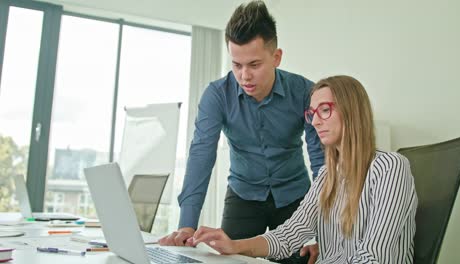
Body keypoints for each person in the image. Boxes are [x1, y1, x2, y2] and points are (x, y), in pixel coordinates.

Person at [189, 75, 418, 264]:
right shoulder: (328, 177)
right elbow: (288, 235)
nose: (315, 121)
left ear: (351, 111)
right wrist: (234, 245)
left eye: (325, 110)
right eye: (312, 113)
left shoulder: (389, 167)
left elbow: (373, 258)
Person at [160, 1, 324, 262]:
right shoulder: (217, 95)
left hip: (295, 197)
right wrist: (187, 224)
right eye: (236, 65)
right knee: (228, 260)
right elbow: (201, 156)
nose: (244, 75)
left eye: (254, 65)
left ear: (276, 57)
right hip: (243, 195)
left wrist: (322, 230)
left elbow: (321, 162)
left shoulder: (305, 92)